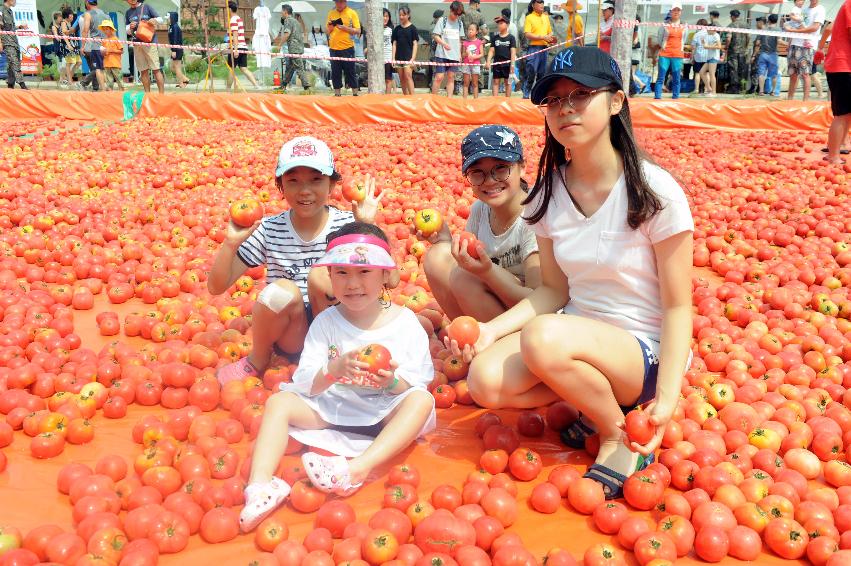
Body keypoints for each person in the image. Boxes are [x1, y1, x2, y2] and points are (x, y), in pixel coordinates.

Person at [462, 46, 693, 500]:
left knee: (542, 338)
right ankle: (589, 397)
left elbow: (678, 304)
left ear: (616, 101)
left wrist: (667, 396)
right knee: (483, 380)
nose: (565, 108)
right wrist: (491, 332)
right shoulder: (548, 192)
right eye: (553, 99)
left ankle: (617, 434)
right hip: (573, 334)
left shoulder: (655, 191)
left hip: (640, 349)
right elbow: (552, 290)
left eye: (582, 94)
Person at [238, 221, 436, 532]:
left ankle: (355, 470)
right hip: (333, 410)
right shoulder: (327, 322)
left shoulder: (406, 322)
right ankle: (260, 486)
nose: (352, 283)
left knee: (421, 400)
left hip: (381, 415)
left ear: (385, 274)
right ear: (329, 276)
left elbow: (417, 380)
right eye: (341, 272)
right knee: (279, 403)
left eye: (364, 271)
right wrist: (332, 371)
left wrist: (391, 383)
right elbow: (306, 381)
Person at [209, 136, 382, 385]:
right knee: (280, 292)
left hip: (339, 326)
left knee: (322, 276)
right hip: (295, 332)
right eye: (293, 181)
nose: (305, 190)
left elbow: (383, 279)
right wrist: (231, 242)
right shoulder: (269, 229)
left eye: (316, 179)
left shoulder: (347, 225)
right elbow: (216, 286)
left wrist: (365, 228)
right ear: (281, 186)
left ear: (332, 185)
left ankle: (333, 353)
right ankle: (258, 359)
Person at [422, 126, 540, 322]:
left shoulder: (534, 218)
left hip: (530, 317)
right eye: (478, 173)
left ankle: (499, 345)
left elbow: (540, 302)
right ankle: (466, 336)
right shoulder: (480, 210)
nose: (490, 181)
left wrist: (486, 272)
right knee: (437, 257)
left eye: (501, 168)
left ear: (522, 167)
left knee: (464, 278)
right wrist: (446, 241)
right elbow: (472, 259)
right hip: (493, 298)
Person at [825, 0, 851, 165]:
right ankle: (833, 155)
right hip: (843, 65)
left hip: (844, 65)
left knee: (847, 112)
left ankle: (841, 145)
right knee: (841, 114)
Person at [785, 0, 826, 101]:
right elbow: (795, 23)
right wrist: (790, 42)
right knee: (792, 74)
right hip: (795, 43)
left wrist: (794, 31)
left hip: (807, 45)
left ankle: (805, 101)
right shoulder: (803, 9)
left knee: (805, 74)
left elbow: (814, 28)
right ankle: (790, 99)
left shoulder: (820, 9)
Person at [125, 0, 165, 93]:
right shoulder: (128, 12)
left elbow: (160, 19)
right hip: (137, 44)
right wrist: (130, 27)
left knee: (156, 69)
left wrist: (153, 20)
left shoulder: (146, 7)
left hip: (150, 43)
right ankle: (147, 95)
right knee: (143, 71)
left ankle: (162, 96)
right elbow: (127, 31)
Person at [327, 0, 361, 96]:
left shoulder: (352, 13)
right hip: (333, 47)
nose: (339, 4)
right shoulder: (331, 13)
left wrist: (345, 28)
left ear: (345, 2)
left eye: (341, 2)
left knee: (350, 71)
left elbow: (358, 30)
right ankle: (337, 93)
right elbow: (328, 31)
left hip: (347, 47)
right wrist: (331, 26)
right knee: (335, 72)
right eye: (337, 2)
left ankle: (355, 93)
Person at [432, 1, 465, 96]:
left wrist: (459, 54)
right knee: (439, 77)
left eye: (458, 14)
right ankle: (433, 99)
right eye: (455, 13)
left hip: (454, 55)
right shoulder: (442, 20)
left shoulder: (459, 23)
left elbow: (460, 40)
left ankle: (449, 99)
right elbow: (435, 36)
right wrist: (444, 44)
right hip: (441, 54)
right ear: (450, 10)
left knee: (451, 77)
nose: (456, 16)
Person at [225, 1, 260, 90]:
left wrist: (235, 49)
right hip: (243, 47)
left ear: (229, 9)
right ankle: (256, 85)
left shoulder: (233, 20)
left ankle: (228, 89)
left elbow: (235, 34)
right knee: (243, 68)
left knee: (231, 69)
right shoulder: (239, 19)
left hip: (237, 47)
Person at [524, 0, 554, 99]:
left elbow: (550, 32)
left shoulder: (546, 17)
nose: (541, 4)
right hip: (533, 48)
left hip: (544, 49)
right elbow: (527, 34)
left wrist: (550, 38)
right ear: (533, 5)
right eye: (539, 2)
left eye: (542, 2)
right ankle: (526, 95)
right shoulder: (529, 17)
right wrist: (543, 37)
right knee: (531, 72)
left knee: (542, 73)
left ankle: (539, 96)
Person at [654, 2, 684, 99]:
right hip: (665, 54)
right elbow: (659, 39)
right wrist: (663, 47)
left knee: (677, 79)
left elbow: (684, 39)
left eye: (678, 10)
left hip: (677, 55)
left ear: (681, 12)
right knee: (660, 78)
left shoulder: (684, 26)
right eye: (674, 10)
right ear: (670, 12)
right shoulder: (664, 25)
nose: (676, 12)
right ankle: (657, 97)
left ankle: (676, 98)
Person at [278, 4, 310, 93]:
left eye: (281, 11)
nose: (281, 13)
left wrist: (280, 44)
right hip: (299, 47)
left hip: (294, 48)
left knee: (299, 68)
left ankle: (307, 87)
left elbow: (287, 33)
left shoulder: (287, 21)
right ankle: (283, 85)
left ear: (285, 11)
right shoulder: (296, 21)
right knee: (290, 68)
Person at [79, 0, 109, 91]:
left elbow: (85, 30)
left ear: (87, 3)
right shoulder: (105, 14)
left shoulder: (88, 14)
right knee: (104, 67)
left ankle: (103, 89)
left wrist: (82, 46)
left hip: (96, 45)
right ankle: (105, 88)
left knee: (98, 68)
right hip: (107, 43)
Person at [0, 0, 27, 89]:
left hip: (13, 41)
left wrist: (19, 27)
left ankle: (10, 84)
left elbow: (9, 27)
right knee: (15, 62)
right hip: (6, 41)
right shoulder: (1, 10)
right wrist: (0, 42)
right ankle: (22, 84)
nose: (15, 1)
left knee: (12, 63)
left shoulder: (10, 11)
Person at [391, 5, 418, 95]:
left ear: (408, 15)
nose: (401, 17)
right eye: (400, 15)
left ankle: (412, 97)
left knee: (408, 76)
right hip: (399, 57)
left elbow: (415, 44)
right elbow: (394, 44)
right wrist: (393, 58)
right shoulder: (397, 29)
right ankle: (405, 96)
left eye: (403, 15)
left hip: (408, 57)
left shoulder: (413, 28)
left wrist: (413, 58)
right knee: (401, 78)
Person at [488, 15, 516, 97]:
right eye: (498, 23)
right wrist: (488, 61)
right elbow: (491, 50)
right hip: (497, 63)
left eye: (501, 23)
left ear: (507, 25)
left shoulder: (511, 38)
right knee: (496, 82)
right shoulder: (495, 37)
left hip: (507, 64)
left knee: (508, 82)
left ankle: (507, 101)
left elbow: (513, 51)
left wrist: (512, 65)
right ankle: (495, 101)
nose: (499, 25)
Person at [696, 18, 722, 97]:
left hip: (714, 57)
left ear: (713, 30)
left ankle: (713, 92)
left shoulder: (716, 35)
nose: (707, 31)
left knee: (711, 74)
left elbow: (719, 46)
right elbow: (705, 45)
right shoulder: (708, 35)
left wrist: (708, 46)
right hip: (709, 57)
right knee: (701, 72)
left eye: (708, 29)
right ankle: (708, 88)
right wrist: (704, 43)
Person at [725, 9, 749, 94]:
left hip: (733, 51)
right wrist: (746, 47)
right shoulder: (745, 24)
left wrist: (726, 47)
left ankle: (733, 88)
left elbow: (728, 38)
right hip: (743, 51)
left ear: (732, 16)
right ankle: (740, 87)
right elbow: (748, 37)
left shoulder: (731, 25)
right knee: (741, 69)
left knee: (733, 69)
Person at [755, 14, 781, 96]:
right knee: (774, 75)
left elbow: (757, 43)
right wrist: (788, 44)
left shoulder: (763, 29)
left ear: (768, 21)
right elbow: (779, 41)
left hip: (763, 53)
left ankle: (761, 91)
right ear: (776, 21)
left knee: (761, 73)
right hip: (773, 54)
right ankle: (772, 91)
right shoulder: (778, 29)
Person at [99, 20, 124, 91]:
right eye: (104, 29)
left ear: (111, 29)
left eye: (106, 29)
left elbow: (121, 51)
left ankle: (122, 95)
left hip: (115, 64)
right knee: (109, 83)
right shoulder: (104, 40)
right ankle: (110, 97)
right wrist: (102, 52)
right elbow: (102, 53)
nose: (105, 31)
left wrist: (111, 50)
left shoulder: (116, 39)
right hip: (106, 64)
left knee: (120, 81)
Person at [461, 23, 484, 98]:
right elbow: (463, 55)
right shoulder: (465, 42)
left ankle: (476, 100)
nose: (470, 31)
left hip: (475, 64)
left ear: (476, 31)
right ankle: (464, 101)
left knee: (475, 83)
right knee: (465, 83)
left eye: (472, 29)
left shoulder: (479, 42)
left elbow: (482, 54)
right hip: (466, 64)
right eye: (469, 30)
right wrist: (466, 54)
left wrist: (474, 57)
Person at [168, 12, 189, 87]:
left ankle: (181, 83)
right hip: (175, 49)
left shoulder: (175, 27)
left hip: (177, 49)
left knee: (176, 67)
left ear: (172, 17)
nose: (168, 19)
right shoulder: (172, 26)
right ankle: (185, 79)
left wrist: (174, 50)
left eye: (169, 17)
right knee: (172, 67)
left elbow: (175, 39)